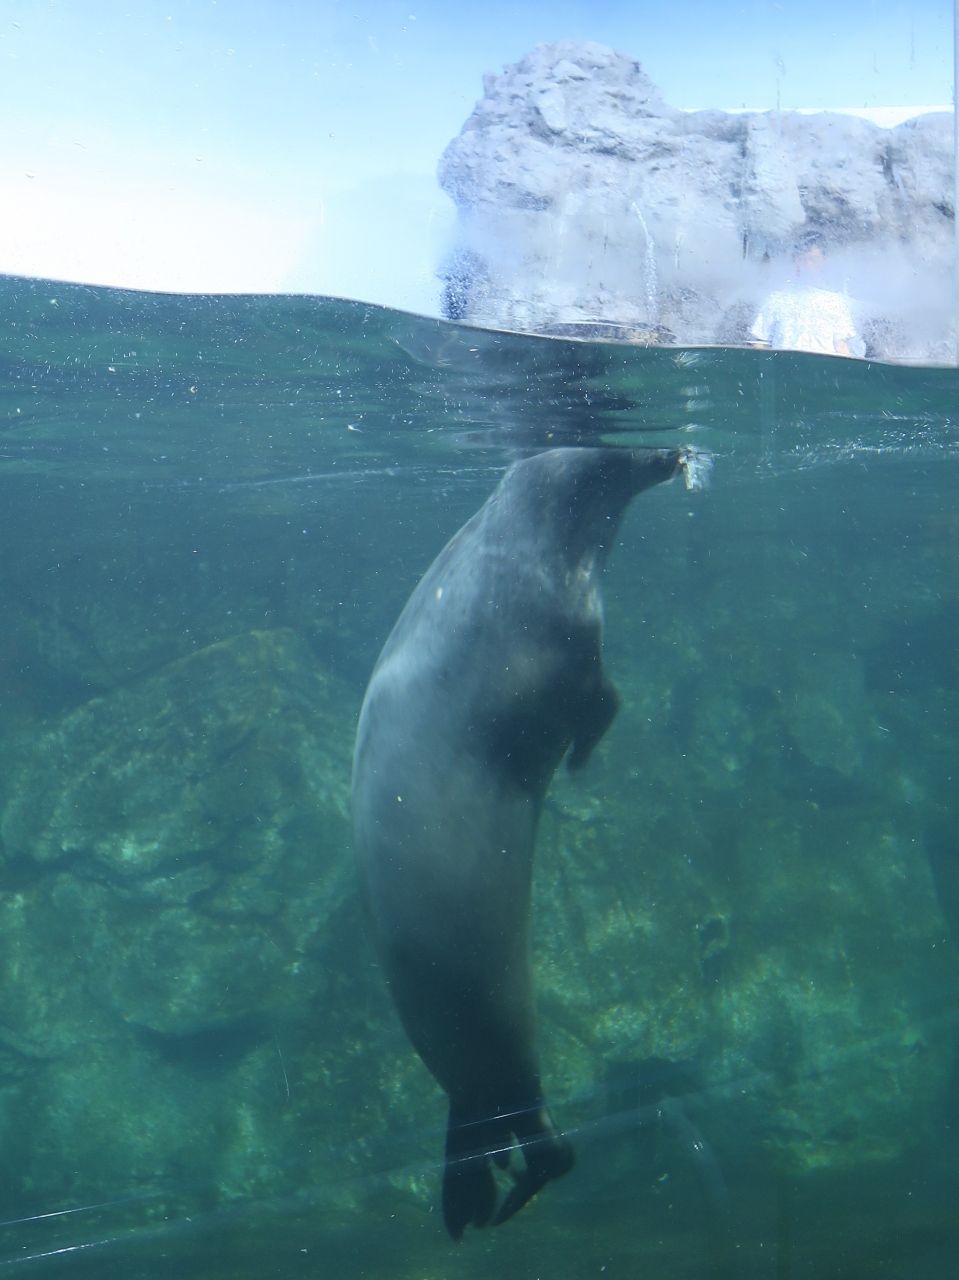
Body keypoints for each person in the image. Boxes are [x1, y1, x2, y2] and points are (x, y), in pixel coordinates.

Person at [750, 240, 862, 356]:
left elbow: (842, 347)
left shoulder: (835, 302)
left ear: (824, 261)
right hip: (784, 369)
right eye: (802, 259)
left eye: (813, 260)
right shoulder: (777, 299)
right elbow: (760, 344)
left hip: (823, 370)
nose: (808, 265)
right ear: (795, 262)